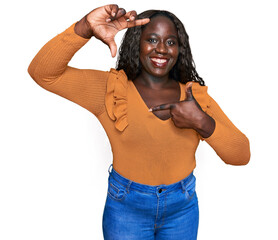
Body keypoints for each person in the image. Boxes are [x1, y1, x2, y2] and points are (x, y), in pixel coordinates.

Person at [28, 4, 251, 240]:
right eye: (152, 40)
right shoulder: (112, 90)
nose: (162, 49)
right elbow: (43, 72)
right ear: (137, 43)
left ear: (180, 49)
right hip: (126, 208)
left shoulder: (194, 97)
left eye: (171, 42)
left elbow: (241, 155)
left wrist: (202, 122)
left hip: (182, 209)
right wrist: (84, 27)